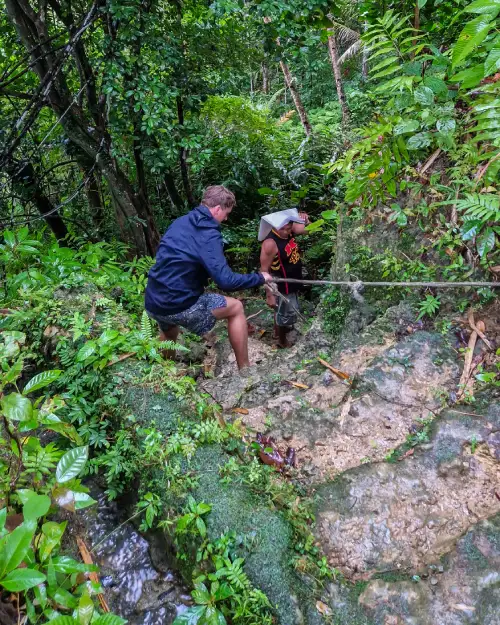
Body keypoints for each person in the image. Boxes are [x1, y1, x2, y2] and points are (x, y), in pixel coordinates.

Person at [145, 185, 272, 370]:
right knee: (236, 307)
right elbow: (226, 281)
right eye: (226, 213)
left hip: (153, 300)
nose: (226, 218)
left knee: (169, 328)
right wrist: (259, 278)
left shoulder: (181, 221)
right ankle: (245, 370)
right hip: (180, 304)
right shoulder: (209, 233)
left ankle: (165, 373)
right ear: (218, 209)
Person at [259, 208, 309, 348]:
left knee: (283, 309)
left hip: (293, 276)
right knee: (284, 311)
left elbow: (307, 230)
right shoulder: (270, 243)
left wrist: (305, 219)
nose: (288, 232)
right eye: (285, 229)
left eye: (289, 228)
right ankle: (282, 340)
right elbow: (264, 270)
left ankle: (279, 331)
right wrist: (269, 294)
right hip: (281, 281)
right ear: (276, 227)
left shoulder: (289, 229)